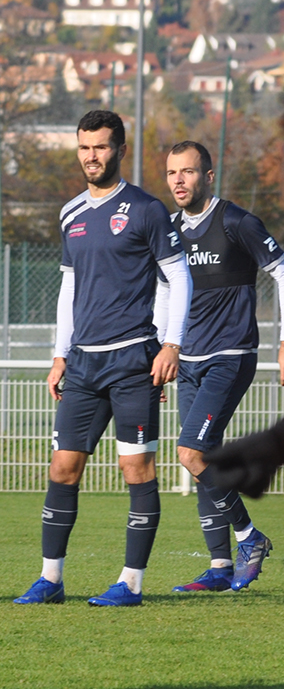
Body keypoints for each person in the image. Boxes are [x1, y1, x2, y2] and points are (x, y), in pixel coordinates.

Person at [14, 110, 191, 607]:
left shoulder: (145, 210)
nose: (92, 156)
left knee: (136, 471)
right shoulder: (71, 213)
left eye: (102, 147)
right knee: (63, 467)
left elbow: (179, 278)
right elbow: (68, 287)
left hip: (135, 360)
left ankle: (131, 584)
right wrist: (58, 355)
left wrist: (171, 344)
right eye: (84, 147)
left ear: (120, 150)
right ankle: (51, 579)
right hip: (84, 365)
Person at [157, 140, 283, 592]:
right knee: (201, 460)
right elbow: (166, 293)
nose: (178, 181)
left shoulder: (236, 222)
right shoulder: (169, 229)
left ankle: (250, 537)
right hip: (185, 358)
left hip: (229, 356)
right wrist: (161, 350)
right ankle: (218, 568)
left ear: (208, 176)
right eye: (172, 172)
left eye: (187, 172)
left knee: (190, 452)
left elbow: (281, 271)